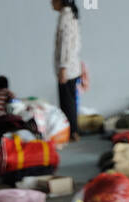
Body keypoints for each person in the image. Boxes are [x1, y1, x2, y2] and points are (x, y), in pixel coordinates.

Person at [52, 0, 82, 141]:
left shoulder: (65, 17)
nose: (50, 3)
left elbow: (65, 45)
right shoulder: (70, 15)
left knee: (67, 103)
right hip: (71, 66)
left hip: (67, 69)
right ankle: (73, 131)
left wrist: (63, 67)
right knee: (70, 101)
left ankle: (71, 132)